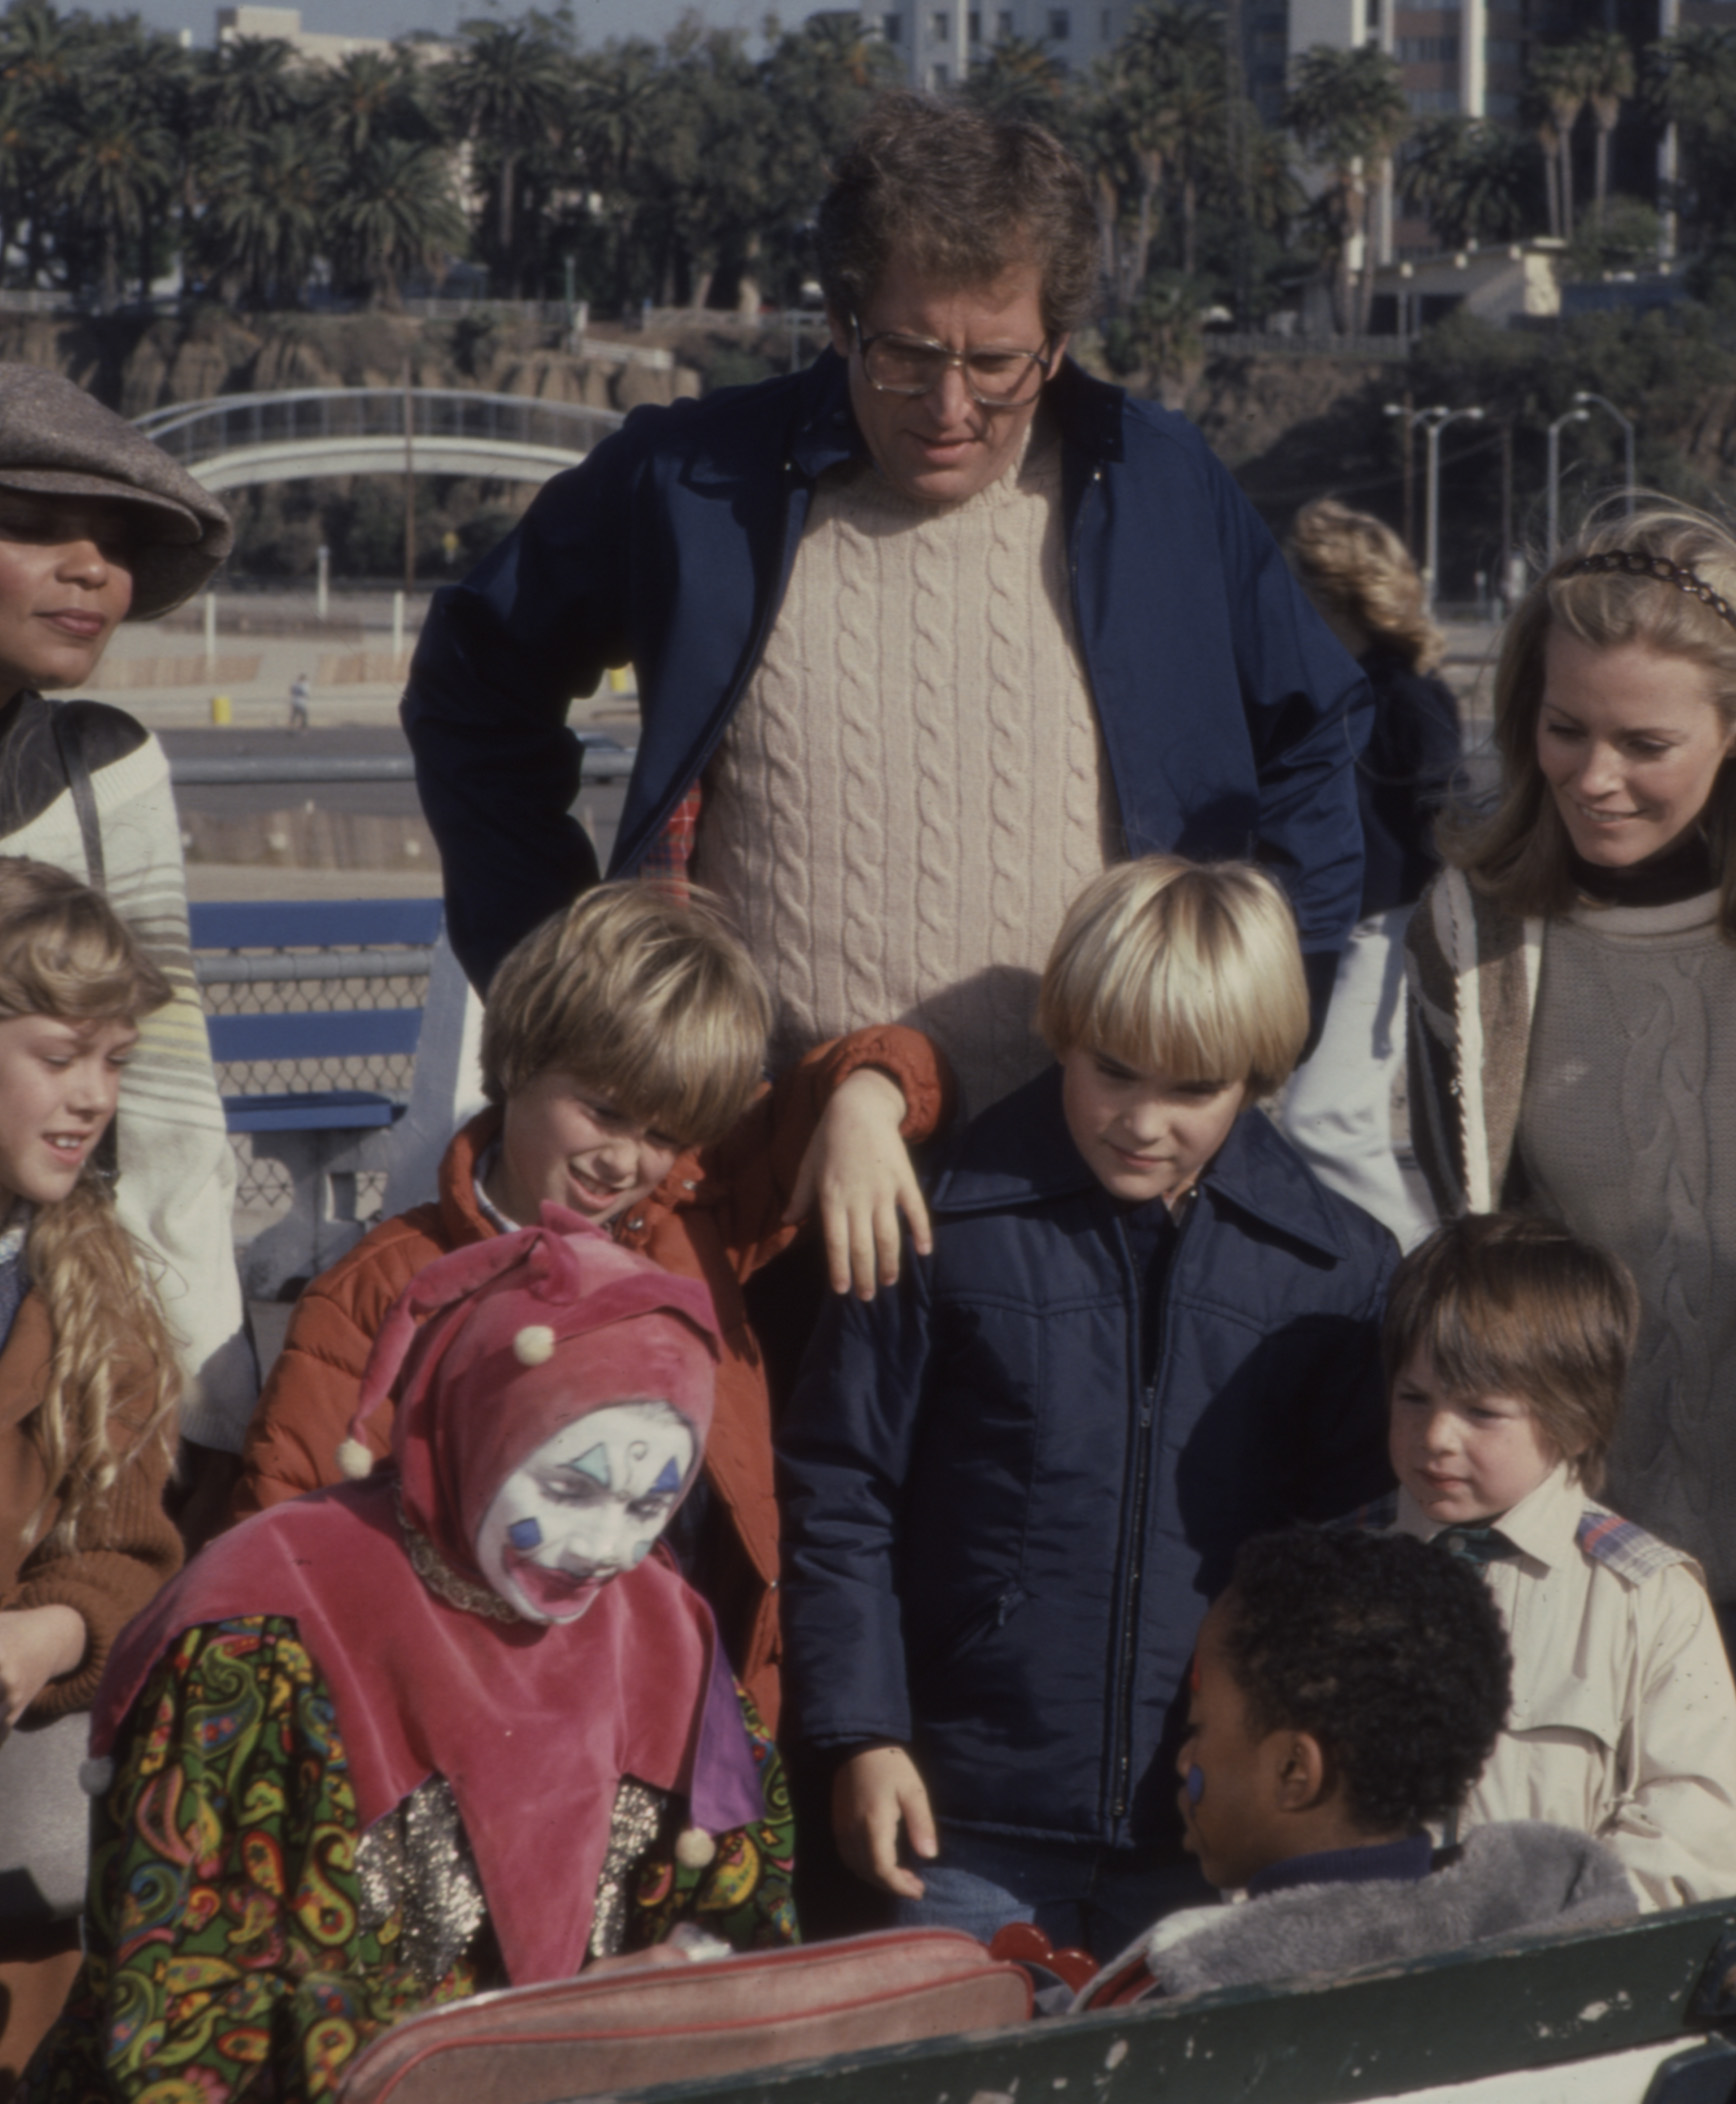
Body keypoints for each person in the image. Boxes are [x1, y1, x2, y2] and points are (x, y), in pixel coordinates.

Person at [404, 93, 1368, 1120]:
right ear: (838, 322)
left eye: (998, 364)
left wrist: (1267, 1015)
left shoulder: (1162, 482)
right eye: (907, 356)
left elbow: (1317, 736)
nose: (952, 411)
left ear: (1059, 338)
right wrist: (561, 972)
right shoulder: (690, 479)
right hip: (774, 1161)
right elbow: (478, 679)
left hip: (1097, 1176)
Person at [1406, 503, 1736, 2102]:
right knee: (1575, 2049)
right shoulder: (1475, 931)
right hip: (1585, 1593)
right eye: (1560, 730)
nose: (1593, 777)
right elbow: (1457, 1242)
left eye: (1645, 741)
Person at [778, 857, 1401, 1959]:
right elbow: (841, 1486)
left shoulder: (1338, 1271)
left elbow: (1350, 1557)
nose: (1143, 1121)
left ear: (1257, 1075)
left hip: (1209, 1837)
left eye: (1193, 1088)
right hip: (957, 1817)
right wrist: (862, 1734)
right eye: (1115, 1071)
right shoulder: (934, 1223)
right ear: (1062, 1029)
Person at [26, 1219, 797, 2104]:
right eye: (570, 1487)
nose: (605, 1549)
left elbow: (742, 1917)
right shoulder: (269, 1624)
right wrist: (519, 2044)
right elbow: (189, 2005)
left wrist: (675, 1992)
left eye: (651, 1504)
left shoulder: (667, 1635)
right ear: (479, 1423)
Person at [226, 881, 949, 1731]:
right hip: (481, 1730)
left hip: (692, 1722)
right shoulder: (386, 1292)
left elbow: (896, 1053)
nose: (622, 1161)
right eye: (601, 1111)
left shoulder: (693, 1212)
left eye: (662, 1135)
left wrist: (865, 1100)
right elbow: (288, 1536)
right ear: (523, 1060)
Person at [0, 360, 256, 1471]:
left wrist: (202, 1397)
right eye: (30, 525)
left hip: (47, 1335)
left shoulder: (106, 767)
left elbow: (163, 1092)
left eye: (113, 543)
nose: (90, 571)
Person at [0, 862, 185, 2103]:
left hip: (1, 1881)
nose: (93, 1097)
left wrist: (57, 1624)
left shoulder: (94, 1292)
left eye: (115, 1061)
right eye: (62, 1054)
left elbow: (133, 1546)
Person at [1071, 1526, 1638, 2010]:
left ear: (1296, 1771)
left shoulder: (1179, 1980)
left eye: (1197, 1729)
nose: (1183, 1758)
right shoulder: (1552, 1929)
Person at [1367, 1213, 1736, 1910]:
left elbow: (1689, 1839)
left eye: (1481, 1411)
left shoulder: (1647, 1596)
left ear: (1574, 1416)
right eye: (1412, 1399)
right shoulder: (1336, 1575)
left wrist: (1549, 1933)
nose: (1435, 1437)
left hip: (1561, 1983)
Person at [1275, 497, 1464, 1248]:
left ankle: (1421, 1269)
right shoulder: (1334, 689)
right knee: (1306, 1120)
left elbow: (1448, 817)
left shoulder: (1407, 696)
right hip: (1328, 925)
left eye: (1297, 589)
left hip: (1384, 932)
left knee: (1325, 1118)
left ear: (1330, 595)